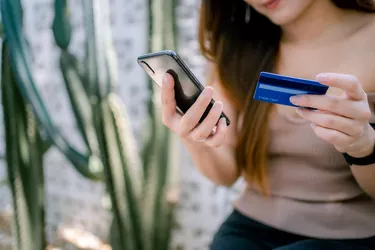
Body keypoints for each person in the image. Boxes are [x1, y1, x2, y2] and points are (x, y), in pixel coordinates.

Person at [161, 0, 375, 249]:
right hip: (249, 228)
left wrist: (363, 146)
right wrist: (192, 135)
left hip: (351, 236)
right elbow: (226, 174)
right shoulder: (239, 45)